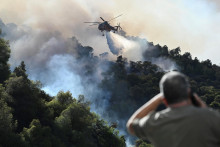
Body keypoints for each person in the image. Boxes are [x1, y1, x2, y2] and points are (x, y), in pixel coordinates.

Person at [127, 71, 220, 147]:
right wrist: (198, 101)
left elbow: (131, 126)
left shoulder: (156, 121)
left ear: (165, 100)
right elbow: (208, 116)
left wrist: (158, 99)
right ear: (188, 94)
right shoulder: (210, 117)